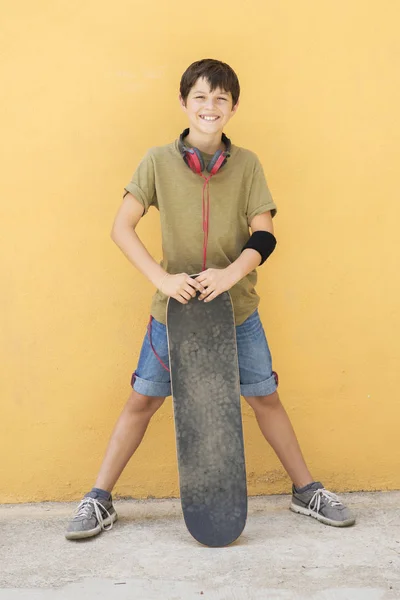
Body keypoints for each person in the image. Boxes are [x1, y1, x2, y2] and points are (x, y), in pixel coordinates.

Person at [65, 58, 355, 540]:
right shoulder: (157, 161)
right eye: (200, 96)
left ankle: (306, 490)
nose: (210, 106)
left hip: (236, 311)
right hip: (174, 315)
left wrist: (230, 273)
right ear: (184, 103)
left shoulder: (247, 165)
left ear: (233, 107)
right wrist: (161, 278)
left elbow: (265, 235)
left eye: (221, 98)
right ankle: (98, 498)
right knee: (142, 400)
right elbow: (121, 227)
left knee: (264, 397)